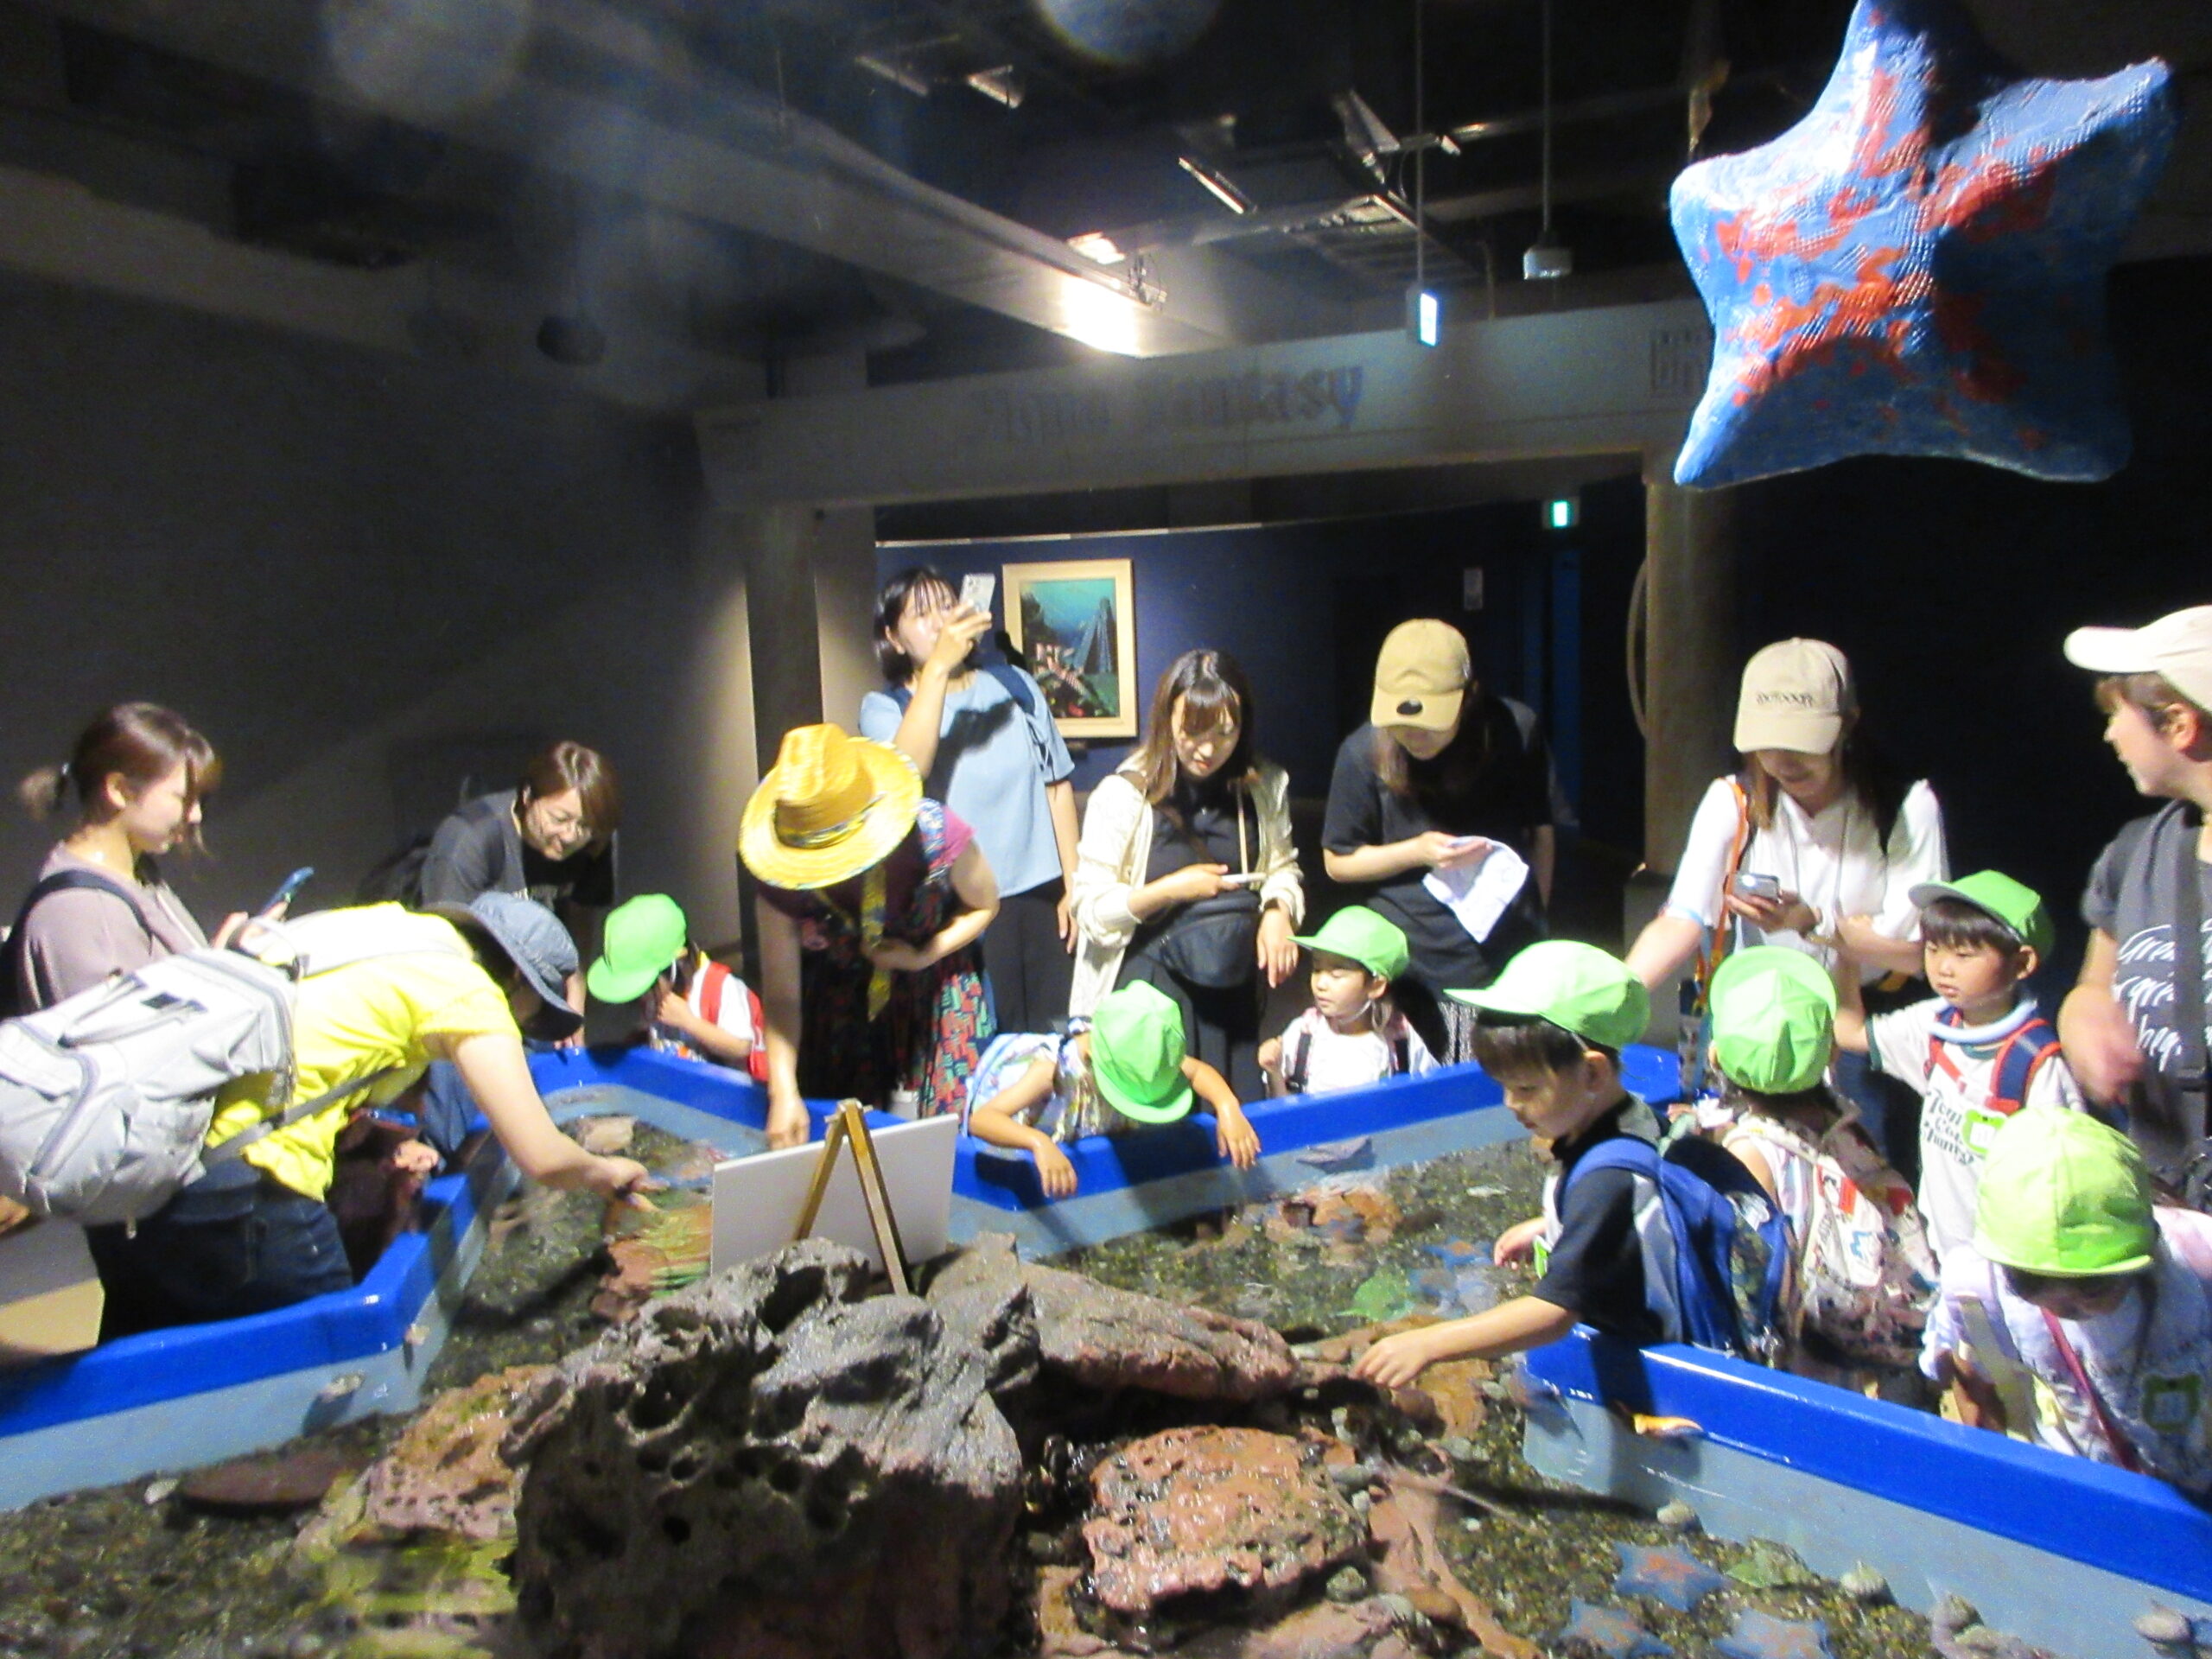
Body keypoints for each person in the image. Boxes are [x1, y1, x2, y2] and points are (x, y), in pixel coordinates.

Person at [86, 893, 655, 1337]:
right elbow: (541, 1154)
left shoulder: (389, 930)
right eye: (534, 1008)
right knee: (349, 1356)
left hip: (145, 1162)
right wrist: (606, 1173)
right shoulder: (471, 992)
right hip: (250, 1184)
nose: (527, 1023)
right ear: (517, 978)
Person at [1624, 639, 1948, 1165]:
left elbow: (1917, 956)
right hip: (1762, 1028)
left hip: (1863, 1027)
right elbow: (1683, 918)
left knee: (1871, 1171)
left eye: (1802, 742)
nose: (1783, 761)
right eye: (1766, 744)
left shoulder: (1906, 807)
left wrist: (1811, 923)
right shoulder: (1733, 799)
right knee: (1758, 1169)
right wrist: (1615, 994)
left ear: (1848, 724)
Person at [1353, 942, 1663, 1388]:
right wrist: (1550, 1226)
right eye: (1503, 1086)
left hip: (1646, 1380)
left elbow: (1553, 1313)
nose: (1510, 1104)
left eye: (1526, 1088)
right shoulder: (1630, 1121)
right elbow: (1630, 1216)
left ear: (1593, 1073)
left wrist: (1429, 1343)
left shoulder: (1607, 1179)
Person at [1923, 1109, 2212, 1497]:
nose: (2062, 1304)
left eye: (2092, 1286)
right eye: (2029, 1281)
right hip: (2081, 1484)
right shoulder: (1978, 1289)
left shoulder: (2198, 1263)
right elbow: (1968, 1380)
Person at [742, 724, 999, 1147]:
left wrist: (922, 955)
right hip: (846, 1001)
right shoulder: (780, 884)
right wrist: (783, 1091)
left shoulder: (933, 834)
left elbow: (985, 906)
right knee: (846, 1141)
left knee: (944, 1144)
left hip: (937, 992)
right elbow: (783, 996)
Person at [1068, 649, 1303, 1099]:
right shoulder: (1123, 795)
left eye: (1225, 733)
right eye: (1192, 731)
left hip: (1228, 989)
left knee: (1236, 1115)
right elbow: (1091, 911)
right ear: (1167, 718)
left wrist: (1278, 910)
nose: (1208, 749)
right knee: (1159, 1122)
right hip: (1149, 997)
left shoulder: (1263, 785)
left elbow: (1281, 867)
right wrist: (1169, 890)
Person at [1321, 620, 1554, 1062]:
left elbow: (1540, 830)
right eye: (1401, 723)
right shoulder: (1361, 752)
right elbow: (1338, 859)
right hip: (1414, 967)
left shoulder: (1515, 730)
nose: (1414, 735)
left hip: (1505, 956)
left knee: (1507, 1085)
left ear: (1468, 698)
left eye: (1430, 723)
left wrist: (1536, 919)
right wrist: (1417, 851)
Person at [861, 568, 1079, 1036]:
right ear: (893, 638)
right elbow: (907, 774)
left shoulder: (1015, 685)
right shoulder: (884, 709)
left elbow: (1056, 786)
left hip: (1043, 899)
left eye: (947, 605)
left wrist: (1075, 885)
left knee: (1057, 1040)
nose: (941, 620)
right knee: (989, 1047)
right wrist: (937, 669)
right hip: (963, 908)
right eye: (922, 614)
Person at [1832, 872, 2084, 1265]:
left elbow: (2063, 1182)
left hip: (2011, 1262)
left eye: (1963, 955)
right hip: (1945, 1254)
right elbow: (1850, 1033)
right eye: (1933, 950)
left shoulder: (2036, 1064)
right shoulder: (1935, 1024)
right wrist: (1847, 955)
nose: (1943, 968)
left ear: (2022, 962)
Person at [1707, 947, 1935, 1375]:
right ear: (1832, 1054)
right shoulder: (1845, 1125)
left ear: (1715, 1056)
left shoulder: (1750, 1152)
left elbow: (1750, 1273)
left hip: (1796, 1358)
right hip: (1849, 1347)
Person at [2056, 606, 2212, 1190]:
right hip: (2170, 1199)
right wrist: (2083, 1015)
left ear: (2177, 724)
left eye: (2114, 714)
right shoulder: (2137, 855)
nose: (2109, 734)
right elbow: (2095, 985)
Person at [6, 703, 243, 1012]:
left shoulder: (137, 873)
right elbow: (120, 1037)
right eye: (184, 798)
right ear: (119, 790)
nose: (195, 815)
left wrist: (226, 959)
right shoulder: (81, 910)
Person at [963, 980, 1262, 1198]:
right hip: (1021, 1146)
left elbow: (1197, 1071)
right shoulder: (1050, 1073)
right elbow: (982, 1120)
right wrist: (1038, 1144)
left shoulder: (1148, 1057)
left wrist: (1228, 1107)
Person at [419, 740, 622, 1030]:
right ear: (527, 796)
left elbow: (581, 912)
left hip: (538, 988)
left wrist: (575, 992)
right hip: (464, 988)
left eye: (585, 826)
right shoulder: (469, 840)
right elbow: (444, 948)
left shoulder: (594, 841)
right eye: (559, 819)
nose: (570, 836)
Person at [1257, 906, 1437, 1097]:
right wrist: (1274, 1072)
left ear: (1375, 985)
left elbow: (1430, 1094)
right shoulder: (1305, 1033)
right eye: (1317, 969)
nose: (1321, 984)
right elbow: (1284, 1107)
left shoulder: (1400, 1039)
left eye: (1336, 974)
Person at [586, 893, 763, 1079]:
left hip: (725, 1090)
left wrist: (689, 1022)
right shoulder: (657, 991)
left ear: (676, 966)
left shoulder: (722, 988)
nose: (643, 996)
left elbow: (741, 1047)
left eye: (645, 986)